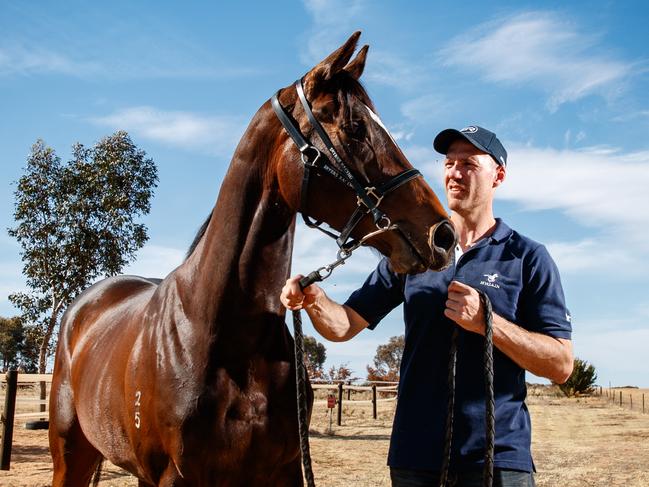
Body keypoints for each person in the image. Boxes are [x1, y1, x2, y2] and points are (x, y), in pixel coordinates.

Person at [280, 125, 574, 487]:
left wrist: (488, 323)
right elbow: (344, 325)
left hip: (497, 459)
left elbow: (561, 365)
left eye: (468, 163)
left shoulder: (527, 257)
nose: (454, 172)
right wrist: (315, 301)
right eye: (449, 163)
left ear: (498, 175)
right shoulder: (414, 250)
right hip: (415, 457)